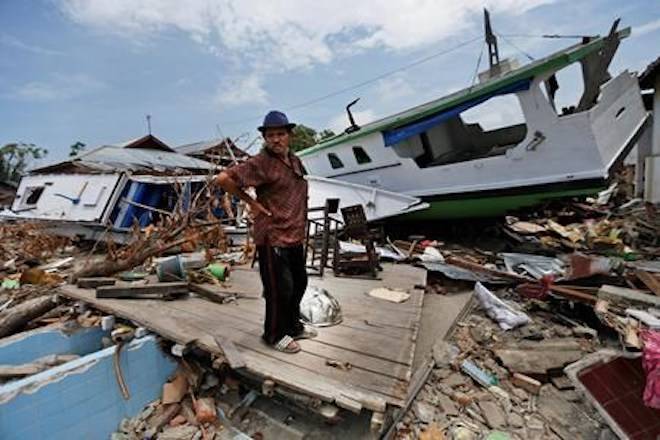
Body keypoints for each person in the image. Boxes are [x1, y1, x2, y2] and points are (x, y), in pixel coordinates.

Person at [215, 110, 316, 353]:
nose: (276, 139)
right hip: (272, 235)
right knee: (279, 289)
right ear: (265, 138)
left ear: (289, 135)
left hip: (293, 234)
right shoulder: (260, 163)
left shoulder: (294, 160)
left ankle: (292, 326)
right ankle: (274, 334)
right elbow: (223, 179)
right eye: (270, 135)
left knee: (299, 283)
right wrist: (252, 204)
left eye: (280, 134)